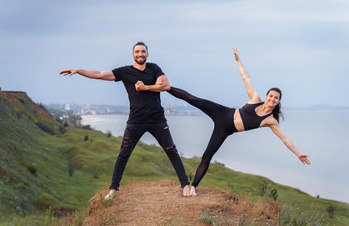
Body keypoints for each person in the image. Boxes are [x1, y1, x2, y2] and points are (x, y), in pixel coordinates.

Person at [166, 47, 310, 197]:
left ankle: (193, 187)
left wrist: (298, 153)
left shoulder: (270, 120)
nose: (272, 99)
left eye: (276, 98)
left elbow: (284, 139)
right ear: (267, 96)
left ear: (278, 101)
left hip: (224, 129)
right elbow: (246, 78)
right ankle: (165, 88)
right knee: (193, 99)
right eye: (271, 96)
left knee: (207, 157)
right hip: (222, 112)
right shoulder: (255, 99)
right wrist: (238, 60)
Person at [59, 42, 190, 199]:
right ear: (133, 54)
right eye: (137, 52)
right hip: (136, 120)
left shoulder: (154, 68)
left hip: (157, 119)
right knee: (123, 154)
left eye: (143, 52)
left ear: (147, 54)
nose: (140, 54)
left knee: (171, 150)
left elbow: (166, 85)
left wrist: (145, 88)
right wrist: (79, 71)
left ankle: (185, 185)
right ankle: (113, 189)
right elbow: (99, 74)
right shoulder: (125, 72)